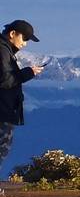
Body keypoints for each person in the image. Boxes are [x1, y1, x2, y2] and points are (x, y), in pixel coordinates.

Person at [0, 20, 43, 176]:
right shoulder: (3, 51)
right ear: (12, 34)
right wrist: (28, 73)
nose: (25, 44)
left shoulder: (6, 50)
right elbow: (5, 80)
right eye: (24, 39)